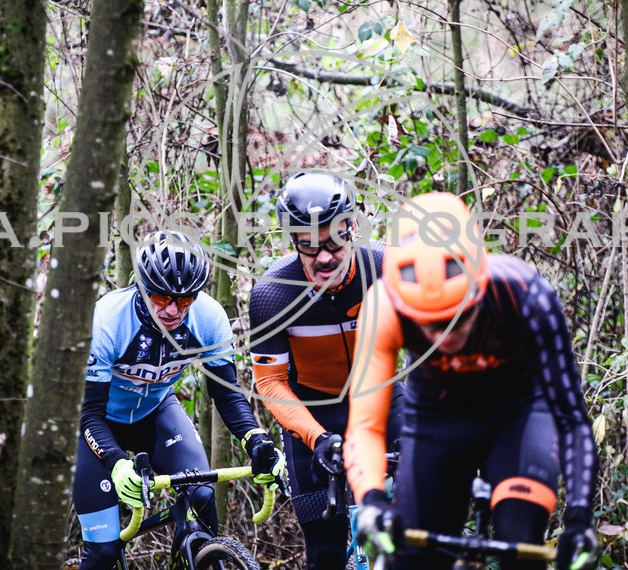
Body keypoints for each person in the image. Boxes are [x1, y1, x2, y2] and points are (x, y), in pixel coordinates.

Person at [344, 192, 599, 570]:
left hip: (521, 414)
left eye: (459, 316)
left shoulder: (524, 295)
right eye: (429, 323)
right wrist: (372, 500)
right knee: (412, 559)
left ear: (479, 283)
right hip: (437, 416)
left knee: (520, 545)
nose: (446, 336)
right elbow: (364, 425)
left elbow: (573, 419)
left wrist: (579, 519)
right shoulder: (384, 307)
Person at [73, 231, 285, 570]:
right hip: (98, 426)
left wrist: (257, 440)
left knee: (201, 496)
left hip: (155, 412)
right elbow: (89, 411)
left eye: (185, 300)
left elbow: (227, 393)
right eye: (160, 297)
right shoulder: (108, 319)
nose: (172, 310)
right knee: (103, 552)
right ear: (142, 288)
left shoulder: (209, 318)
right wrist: (115, 462)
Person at [249, 171, 403, 570]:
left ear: (352, 228)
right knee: (324, 553)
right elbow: (270, 382)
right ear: (292, 241)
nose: (323, 257)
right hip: (313, 414)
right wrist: (317, 440)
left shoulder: (385, 269)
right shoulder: (273, 294)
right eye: (308, 245)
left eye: (334, 242)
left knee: (423, 521)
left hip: (383, 397)